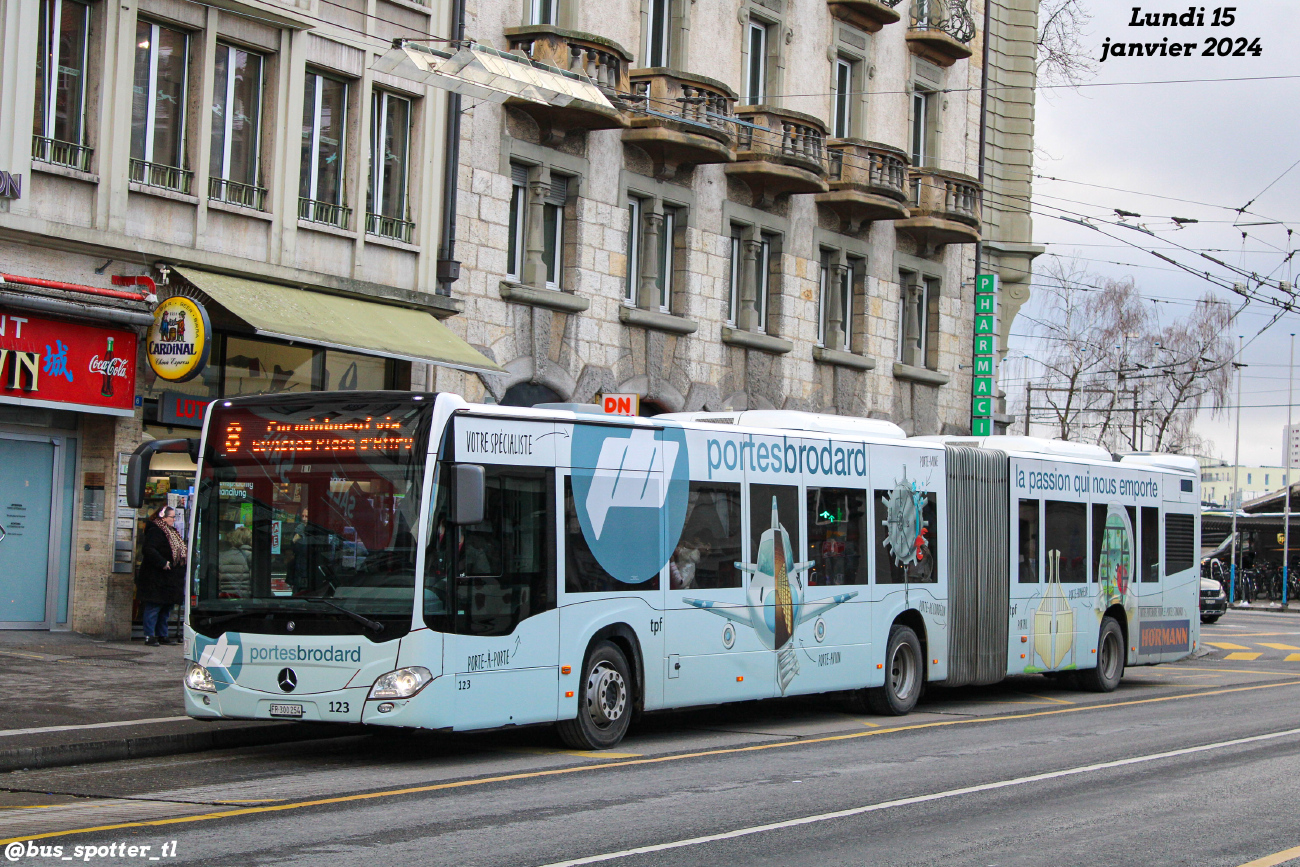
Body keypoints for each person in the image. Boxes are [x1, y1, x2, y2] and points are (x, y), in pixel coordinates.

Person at [137, 506, 186, 646]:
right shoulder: (156, 531)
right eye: (172, 517)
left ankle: (162, 635)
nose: (174, 519)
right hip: (156, 577)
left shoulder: (171, 531)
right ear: (163, 517)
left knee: (165, 607)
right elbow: (148, 549)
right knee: (154, 606)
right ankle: (149, 635)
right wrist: (162, 562)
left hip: (169, 577)